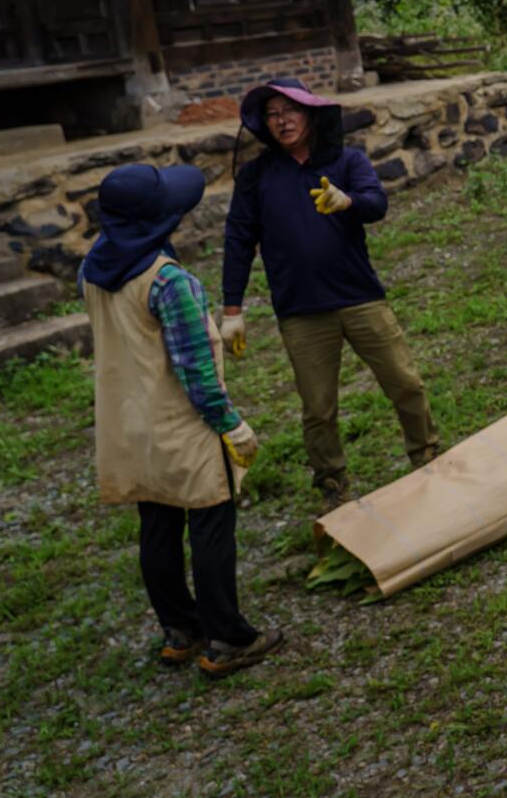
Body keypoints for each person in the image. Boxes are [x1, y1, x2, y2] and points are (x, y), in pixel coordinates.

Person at [83, 162, 284, 679]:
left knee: (158, 524)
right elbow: (194, 367)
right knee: (212, 521)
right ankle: (227, 638)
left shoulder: (94, 269)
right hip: (181, 423)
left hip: (130, 423)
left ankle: (179, 629)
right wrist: (231, 423)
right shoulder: (169, 282)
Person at [220, 78, 438, 510]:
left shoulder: (346, 161)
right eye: (273, 114)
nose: (283, 122)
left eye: (290, 110)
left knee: (406, 383)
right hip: (300, 310)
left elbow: (377, 204)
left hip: (360, 297)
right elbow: (238, 239)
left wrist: (348, 201)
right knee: (318, 409)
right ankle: (333, 485)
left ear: (311, 112)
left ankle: (427, 456)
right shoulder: (256, 176)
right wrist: (232, 309)